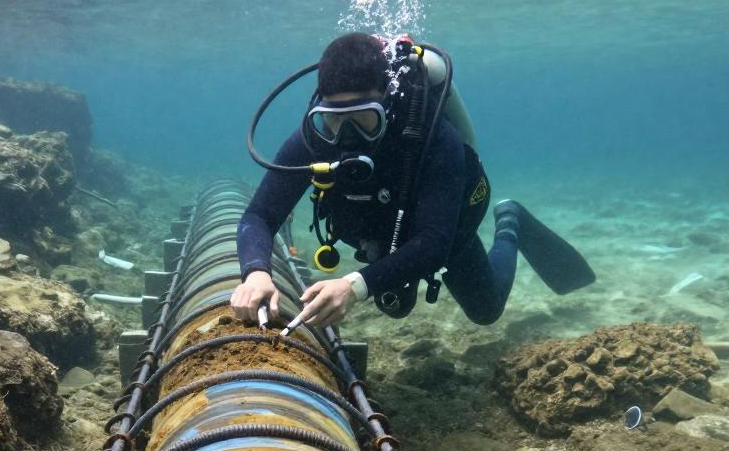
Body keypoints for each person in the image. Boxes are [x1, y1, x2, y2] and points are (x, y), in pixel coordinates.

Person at [231, 32, 594, 331]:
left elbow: (434, 243)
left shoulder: (432, 139)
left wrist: (354, 286)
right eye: (336, 118)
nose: (349, 135)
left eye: (365, 117)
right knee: (395, 305)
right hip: (382, 236)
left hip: (443, 227)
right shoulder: (315, 139)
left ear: (387, 102)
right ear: (321, 109)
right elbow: (259, 215)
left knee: (486, 310)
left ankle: (511, 221)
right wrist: (256, 272)